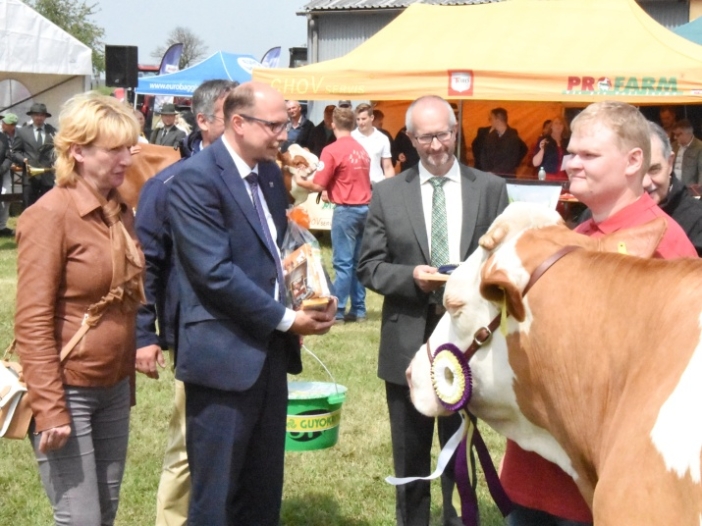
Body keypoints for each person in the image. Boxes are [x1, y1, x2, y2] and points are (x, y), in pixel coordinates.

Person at [501, 101, 696, 526]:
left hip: (598, 485)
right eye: (571, 152)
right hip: (544, 470)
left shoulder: (664, 249)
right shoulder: (579, 232)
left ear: (633, 162)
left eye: (589, 155)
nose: (571, 164)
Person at [167, 81, 337, 525]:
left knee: (262, 494)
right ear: (238, 123)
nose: (285, 134)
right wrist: (288, 320)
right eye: (275, 125)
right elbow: (214, 274)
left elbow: (277, 250)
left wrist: (314, 293)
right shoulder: (193, 180)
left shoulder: (265, 173)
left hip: (268, 359)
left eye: (287, 123)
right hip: (222, 362)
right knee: (216, 499)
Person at [357, 95, 508, 526]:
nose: (436, 145)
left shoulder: (490, 189)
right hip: (407, 341)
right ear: (410, 138)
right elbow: (369, 266)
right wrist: (411, 278)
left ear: (455, 132)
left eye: (443, 134)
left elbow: (506, 262)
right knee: (410, 455)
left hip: (470, 345)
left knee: (461, 456)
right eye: (425, 137)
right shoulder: (387, 194)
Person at [14, 92, 144, 525]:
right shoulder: (49, 215)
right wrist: (49, 407)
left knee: (104, 515)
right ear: (78, 152)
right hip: (66, 390)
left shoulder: (117, 211)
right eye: (114, 149)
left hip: (109, 387)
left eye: (130, 146)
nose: (127, 158)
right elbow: (32, 320)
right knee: (81, 519)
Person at [134, 79, 238, 526]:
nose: (244, 126)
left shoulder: (256, 177)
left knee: (238, 441)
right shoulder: (169, 184)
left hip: (255, 330)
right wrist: (145, 334)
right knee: (187, 443)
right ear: (203, 122)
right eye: (233, 117)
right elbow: (146, 265)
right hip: (196, 334)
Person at [293, 106, 371, 324]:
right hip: (365, 207)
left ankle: (337, 310)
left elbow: (318, 185)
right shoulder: (361, 149)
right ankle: (359, 309)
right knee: (357, 262)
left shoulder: (332, 150)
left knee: (343, 263)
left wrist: (299, 181)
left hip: (346, 210)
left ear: (332, 124)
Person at [645, 121, 702, 255]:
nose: (645, 182)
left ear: (670, 162)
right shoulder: (599, 215)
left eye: (654, 170)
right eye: (637, 173)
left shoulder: (697, 221)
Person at [12, 102, 57, 206]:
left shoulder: (52, 131)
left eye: (42, 115)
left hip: (47, 177)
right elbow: (15, 152)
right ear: (32, 116)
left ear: (45, 117)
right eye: (36, 115)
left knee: (47, 207)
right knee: (29, 206)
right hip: (30, 177)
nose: (39, 118)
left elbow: (56, 151)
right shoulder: (22, 132)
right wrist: (23, 160)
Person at [351, 103, 394, 184]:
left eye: (363, 119)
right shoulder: (350, 138)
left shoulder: (382, 138)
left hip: (377, 185)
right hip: (356, 186)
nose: (360, 122)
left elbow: (387, 167)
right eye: (358, 119)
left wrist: (390, 187)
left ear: (371, 118)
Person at [480, 107, 527, 176]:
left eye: (491, 119)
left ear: (497, 120)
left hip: (506, 177)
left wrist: (494, 172)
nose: (490, 121)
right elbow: (483, 156)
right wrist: (487, 172)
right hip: (490, 177)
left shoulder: (513, 137)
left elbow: (512, 160)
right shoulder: (490, 136)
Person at [531, 116, 570, 181]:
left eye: (561, 123)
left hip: (564, 176)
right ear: (551, 126)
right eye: (556, 123)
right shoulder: (544, 140)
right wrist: (542, 149)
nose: (558, 125)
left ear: (564, 127)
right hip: (547, 176)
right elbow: (535, 163)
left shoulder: (567, 141)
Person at [0, 113, 19, 236]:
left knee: (5, 199)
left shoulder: (3, 138)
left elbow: (8, 155)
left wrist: (3, 168)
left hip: (2, 173)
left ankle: (1, 226)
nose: (1, 124)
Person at [672, 119, 702, 186]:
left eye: (678, 135)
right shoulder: (673, 146)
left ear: (688, 133)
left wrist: (699, 191)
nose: (675, 137)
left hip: (690, 190)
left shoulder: (699, 147)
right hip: (673, 188)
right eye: (674, 134)